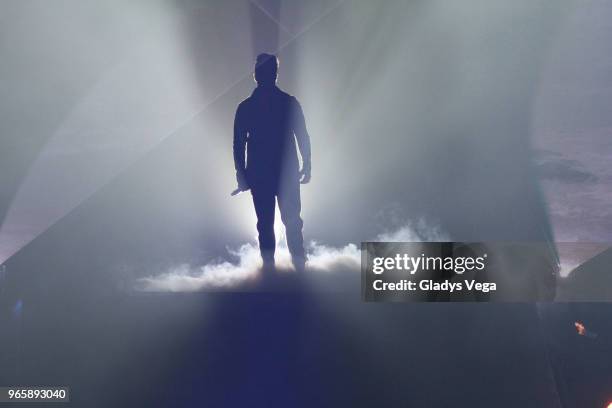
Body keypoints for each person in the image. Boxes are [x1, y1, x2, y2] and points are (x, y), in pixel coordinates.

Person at [233, 53, 311, 270]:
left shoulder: (246, 107)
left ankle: (270, 269)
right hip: (285, 172)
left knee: (266, 224)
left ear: (256, 75)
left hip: (260, 174)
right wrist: (307, 164)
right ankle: (298, 265)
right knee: (291, 221)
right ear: (275, 74)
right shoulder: (288, 103)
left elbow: (238, 145)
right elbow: (302, 136)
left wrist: (242, 176)